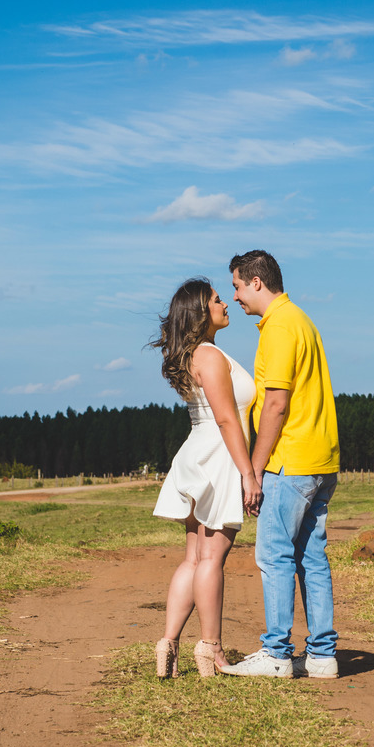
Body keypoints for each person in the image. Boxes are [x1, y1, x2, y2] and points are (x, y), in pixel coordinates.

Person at [221, 250, 341, 679]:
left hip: (290, 461)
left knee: (273, 555)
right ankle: (323, 656)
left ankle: (276, 654)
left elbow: (275, 403)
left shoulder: (278, 328)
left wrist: (252, 469)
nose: (234, 296)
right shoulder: (302, 320)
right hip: (321, 458)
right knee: (311, 557)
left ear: (256, 282)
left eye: (236, 285)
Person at [151, 278, 259, 678]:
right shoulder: (209, 355)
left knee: (194, 558)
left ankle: (168, 645)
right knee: (212, 559)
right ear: (201, 312)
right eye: (217, 299)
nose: (225, 303)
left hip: (199, 453)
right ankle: (211, 650)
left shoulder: (195, 355)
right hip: (218, 458)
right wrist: (248, 473)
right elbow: (228, 418)